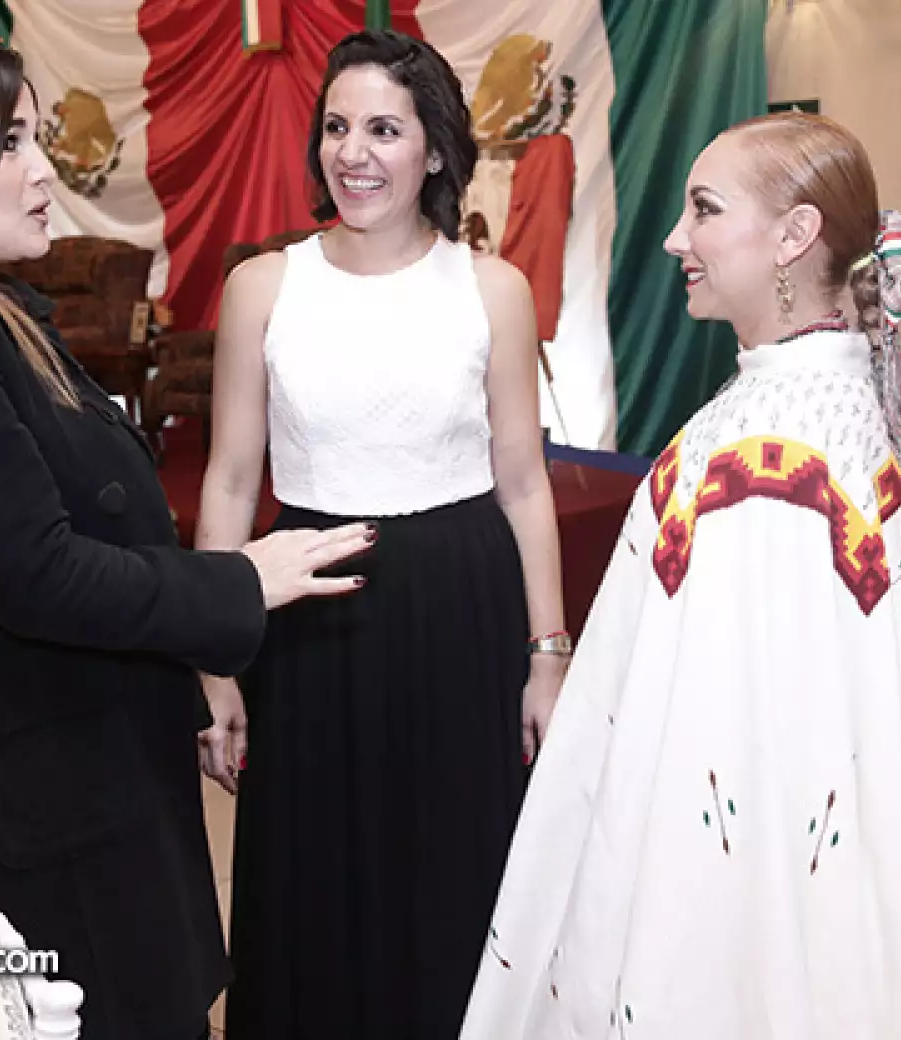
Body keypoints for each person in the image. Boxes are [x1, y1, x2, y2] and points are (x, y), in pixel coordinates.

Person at [0, 21, 373, 1040]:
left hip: (81, 777)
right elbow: (35, 571)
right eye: (10, 142)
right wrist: (240, 578)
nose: (40, 171)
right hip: (39, 815)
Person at [459, 112, 901, 1039]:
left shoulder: (775, 452)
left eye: (703, 209)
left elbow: (752, 754)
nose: (674, 238)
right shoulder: (796, 396)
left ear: (794, 234)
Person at [198, 29, 569, 1040]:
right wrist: (214, 661)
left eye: (383, 129)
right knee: (310, 864)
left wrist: (546, 655)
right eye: (336, 126)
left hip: (461, 602)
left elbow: (525, 484)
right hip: (308, 602)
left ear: (436, 151)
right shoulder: (262, 288)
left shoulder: (492, 288)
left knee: (455, 863)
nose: (351, 152)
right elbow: (231, 482)